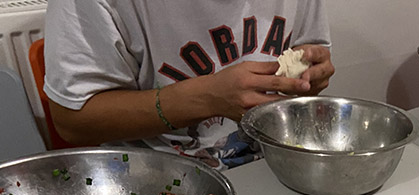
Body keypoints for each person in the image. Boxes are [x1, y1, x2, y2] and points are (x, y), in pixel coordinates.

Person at [43, 0, 335, 170]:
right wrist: (207, 99)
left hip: (274, 165)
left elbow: (307, 46)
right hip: (158, 182)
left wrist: (312, 71)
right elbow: (72, 121)